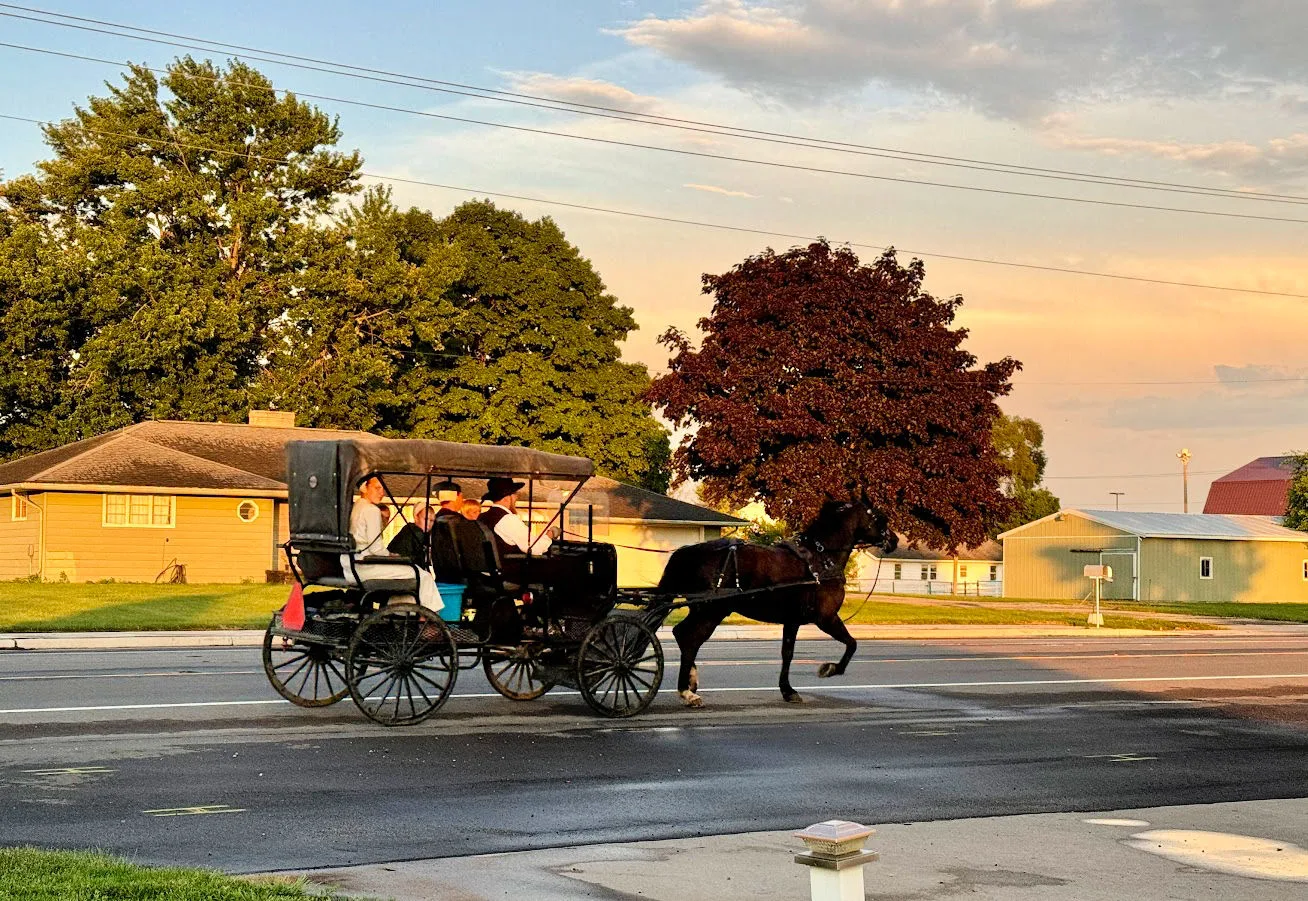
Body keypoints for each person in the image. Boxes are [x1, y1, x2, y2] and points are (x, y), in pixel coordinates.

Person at [341, 477, 440, 611]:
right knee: (423, 576)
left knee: (413, 574)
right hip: (366, 566)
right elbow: (376, 549)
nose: (382, 493)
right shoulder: (371, 510)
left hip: (352, 566)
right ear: (365, 488)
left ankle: (395, 611)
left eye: (383, 489)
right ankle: (427, 621)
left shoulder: (355, 507)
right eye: (377, 488)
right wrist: (391, 556)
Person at [479, 477, 554, 559]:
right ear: (507, 499)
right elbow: (534, 547)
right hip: (510, 569)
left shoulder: (481, 517)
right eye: (514, 494)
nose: (516, 498)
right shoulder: (508, 520)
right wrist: (550, 535)